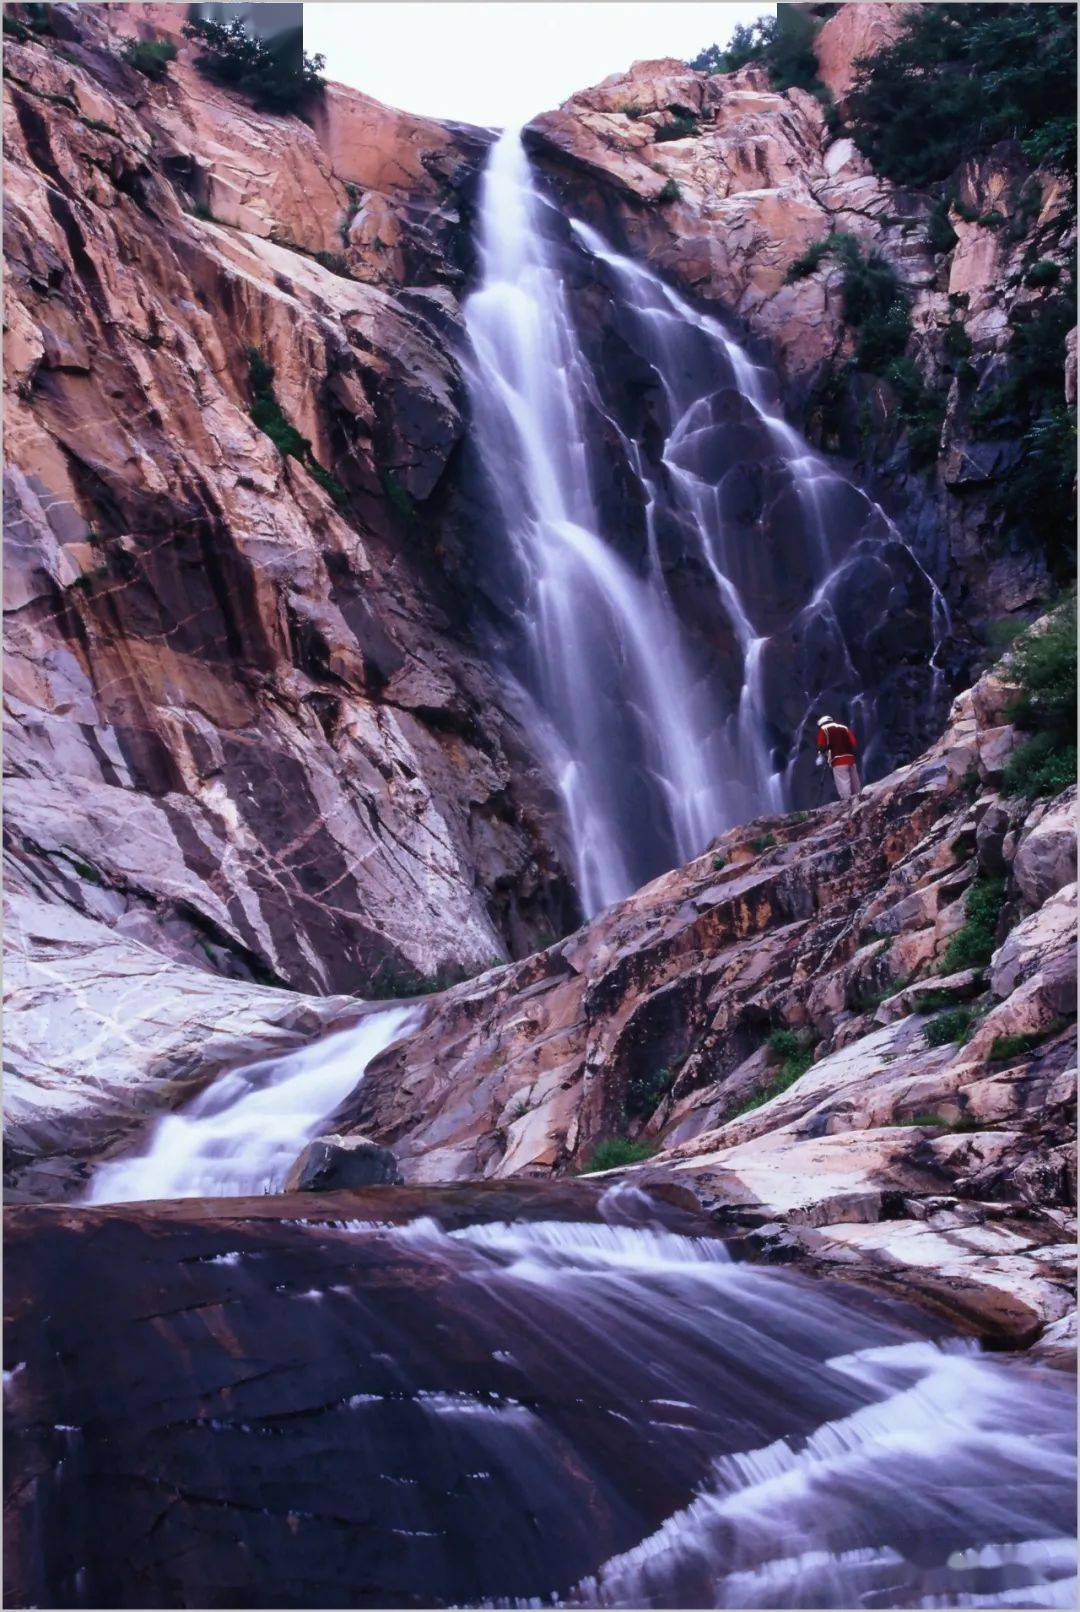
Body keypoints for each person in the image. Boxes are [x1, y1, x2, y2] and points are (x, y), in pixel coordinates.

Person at [816, 714, 861, 800]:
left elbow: (821, 746)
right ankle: (859, 799)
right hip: (851, 759)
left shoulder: (823, 729)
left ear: (821, 724)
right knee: (855, 783)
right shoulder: (844, 727)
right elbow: (854, 743)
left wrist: (822, 756)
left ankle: (848, 804)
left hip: (838, 761)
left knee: (843, 783)